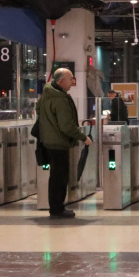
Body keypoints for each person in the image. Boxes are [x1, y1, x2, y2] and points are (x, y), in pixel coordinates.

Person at [36, 68, 92, 219]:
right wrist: (83, 137)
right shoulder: (60, 99)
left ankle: (56, 207)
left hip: (48, 140)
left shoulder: (46, 94)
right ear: (61, 81)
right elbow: (66, 125)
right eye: (70, 79)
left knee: (55, 176)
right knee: (60, 177)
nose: (72, 82)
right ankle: (57, 209)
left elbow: (38, 110)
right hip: (58, 142)